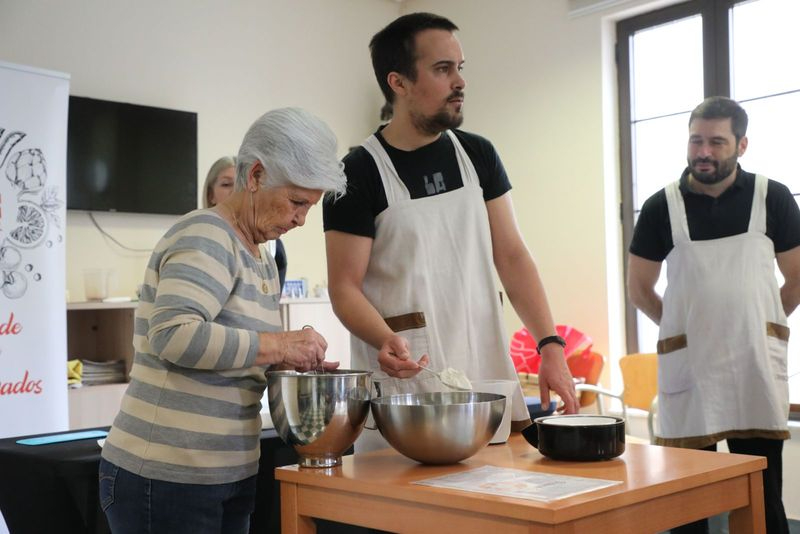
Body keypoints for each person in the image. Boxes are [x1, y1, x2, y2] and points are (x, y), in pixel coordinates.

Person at [323, 12, 578, 452]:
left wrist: (549, 344)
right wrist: (386, 339)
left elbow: (513, 256)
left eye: (460, 68)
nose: (459, 81)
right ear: (398, 82)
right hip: (406, 387)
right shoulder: (357, 173)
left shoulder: (477, 154)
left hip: (483, 372)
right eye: (443, 69)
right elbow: (344, 288)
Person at [99, 107, 347, 534]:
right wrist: (280, 345)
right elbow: (174, 335)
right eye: (296, 202)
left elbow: (235, 349)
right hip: (167, 472)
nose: (301, 219)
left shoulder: (262, 256)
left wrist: (290, 366)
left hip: (226, 471)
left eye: (309, 206)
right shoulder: (208, 235)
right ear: (254, 176)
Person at [627, 96, 800, 534]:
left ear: (742, 145)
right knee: (686, 501)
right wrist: (684, 330)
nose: (703, 152)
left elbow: (797, 276)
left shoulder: (772, 197)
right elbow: (639, 289)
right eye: (696, 141)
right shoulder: (661, 206)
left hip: (754, 367)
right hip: (691, 369)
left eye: (717, 142)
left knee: (762, 497)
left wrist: (764, 325)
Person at [203, 155, 289, 291]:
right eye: (226, 184)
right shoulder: (201, 238)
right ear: (210, 195)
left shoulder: (273, 246)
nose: (234, 191)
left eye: (240, 184)